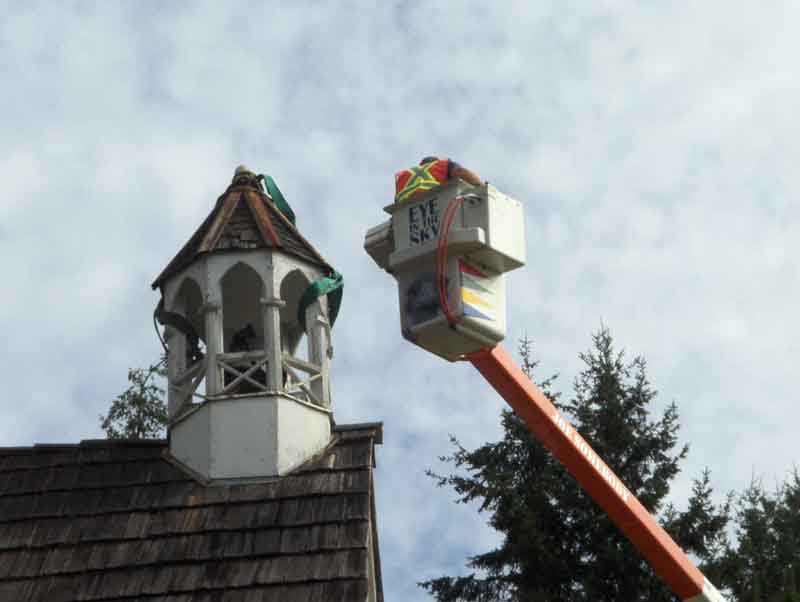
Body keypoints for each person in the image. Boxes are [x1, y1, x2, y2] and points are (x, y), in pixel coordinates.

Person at [394, 156, 482, 203]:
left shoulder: (403, 176)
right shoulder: (441, 165)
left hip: (407, 219)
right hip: (436, 207)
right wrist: (482, 188)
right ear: (435, 162)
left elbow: (396, 204)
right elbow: (461, 172)